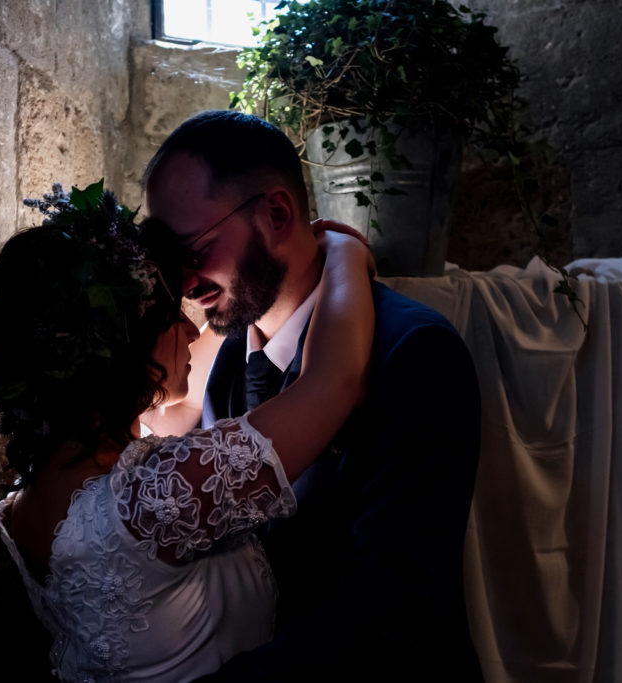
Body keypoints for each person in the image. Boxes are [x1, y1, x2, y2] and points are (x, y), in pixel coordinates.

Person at [0, 181, 374, 681]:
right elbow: (333, 383)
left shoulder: (45, 477)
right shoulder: (157, 498)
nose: (195, 328)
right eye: (175, 317)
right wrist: (343, 249)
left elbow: (185, 390)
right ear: (125, 352)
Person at [142, 111, 484, 680]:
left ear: (276, 214)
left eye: (195, 250)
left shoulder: (415, 352)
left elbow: (392, 612)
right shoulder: (227, 360)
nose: (181, 283)